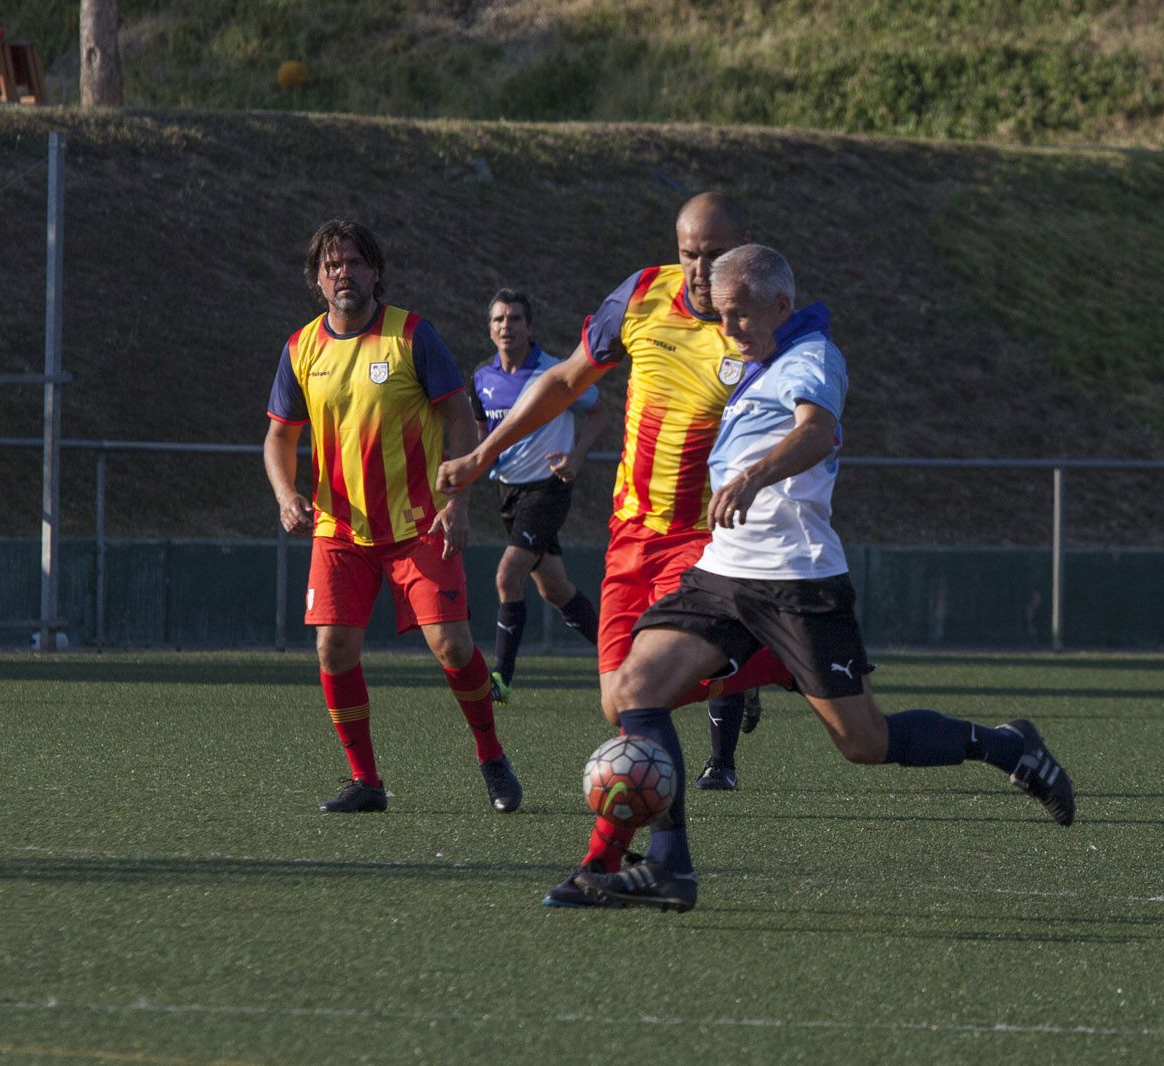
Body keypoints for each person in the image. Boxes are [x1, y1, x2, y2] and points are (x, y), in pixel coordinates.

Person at [571, 244, 1076, 911]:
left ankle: (1005, 745)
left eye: (741, 317)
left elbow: (815, 431)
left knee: (863, 741)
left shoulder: (814, 359)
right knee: (634, 692)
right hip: (723, 572)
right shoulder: (756, 362)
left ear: (781, 306)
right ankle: (670, 869)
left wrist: (754, 474)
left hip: (796, 581)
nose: (729, 331)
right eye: (721, 317)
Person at [438, 193, 791, 905]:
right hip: (630, 535)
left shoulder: (760, 330)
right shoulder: (639, 295)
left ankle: (637, 864)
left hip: (704, 540)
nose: (699, 268)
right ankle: (763, 665)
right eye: (689, 252)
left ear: (745, 246)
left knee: (642, 695)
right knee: (616, 703)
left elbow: (804, 428)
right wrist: (480, 457)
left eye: (716, 254)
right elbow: (568, 378)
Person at [263, 219, 522, 816]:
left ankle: (491, 755)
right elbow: (278, 437)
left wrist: (458, 501)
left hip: (420, 523)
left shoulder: (412, 335)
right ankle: (366, 781)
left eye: (354, 262)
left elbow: (460, 419)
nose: (343, 274)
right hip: (340, 527)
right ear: (317, 280)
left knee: (453, 647)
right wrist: (285, 494)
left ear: (375, 271)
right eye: (331, 266)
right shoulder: (301, 349)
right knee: (333, 649)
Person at [470, 288, 606, 704]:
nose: (506, 326)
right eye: (498, 320)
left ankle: (501, 679)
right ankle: (617, 654)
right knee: (555, 588)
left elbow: (600, 411)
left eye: (514, 319)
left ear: (529, 328)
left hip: (547, 491)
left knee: (507, 576)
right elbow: (481, 431)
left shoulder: (555, 373)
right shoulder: (481, 378)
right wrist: (472, 463)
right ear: (490, 329)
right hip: (507, 493)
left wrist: (577, 456)